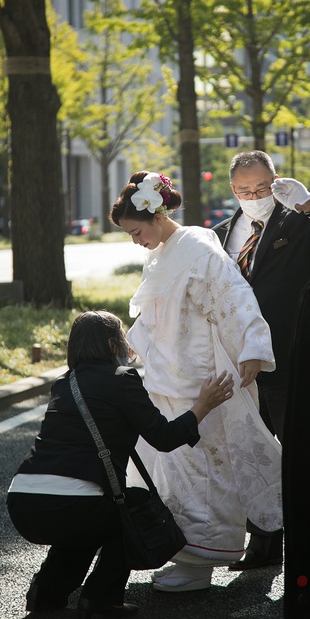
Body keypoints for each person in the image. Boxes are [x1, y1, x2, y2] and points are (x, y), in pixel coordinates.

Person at [110, 170, 283, 593]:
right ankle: (183, 553)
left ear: (155, 217)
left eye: (136, 231)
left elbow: (234, 294)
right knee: (173, 470)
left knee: (204, 472)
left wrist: (253, 346)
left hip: (199, 380)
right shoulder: (164, 251)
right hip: (169, 376)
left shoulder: (197, 247)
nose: (136, 241)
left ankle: (201, 560)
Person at [6, 310, 234, 619]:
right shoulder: (122, 379)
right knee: (129, 508)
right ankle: (101, 598)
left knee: (85, 520)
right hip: (72, 506)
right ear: (113, 347)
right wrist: (203, 404)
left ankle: (46, 594)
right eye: (124, 339)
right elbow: (163, 437)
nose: (128, 346)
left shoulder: (64, 383)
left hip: (22, 504)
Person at [213, 150, 310, 571]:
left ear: (276, 181)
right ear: (233, 190)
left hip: (289, 357)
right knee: (251, 454)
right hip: (240, 366)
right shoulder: (221, 233)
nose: (254, 195)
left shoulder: (298, 221)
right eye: (245, 190)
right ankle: (264, 545)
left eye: (262, 188)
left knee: (298, 452)